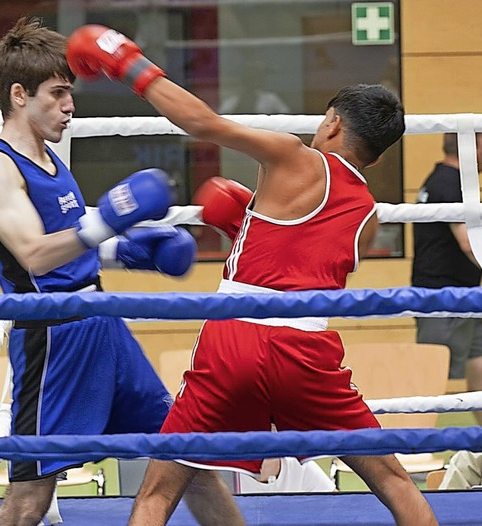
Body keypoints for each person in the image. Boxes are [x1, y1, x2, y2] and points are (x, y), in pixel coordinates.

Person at [66, 25, 438, 526]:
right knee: (393, 481)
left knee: (158, 493)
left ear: (331, 122)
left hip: (234, 341)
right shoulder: (368, 216)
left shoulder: (295, 156)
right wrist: (248, 222)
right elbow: (310, 270)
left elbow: (202, 123)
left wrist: (126, 63)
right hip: (307, 354)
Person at [0, 17, 200, 526]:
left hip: (102, 324)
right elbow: (33, 254)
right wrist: (107, 222)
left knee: (185, 455)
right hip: (53, 342)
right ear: (19, 95)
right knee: (27, 503)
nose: (70, 105)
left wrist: (130, 253)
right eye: (58, 92)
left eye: (70, 92)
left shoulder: (50, 159)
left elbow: (73, 243)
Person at [412, 133, 482, 426]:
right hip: (445, 298)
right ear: (473, 147)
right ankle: (419, 458)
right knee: (436, 376)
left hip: (464, 293)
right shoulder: (451, 183)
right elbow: (469, 242)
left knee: (477, 360)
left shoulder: (438, 179)